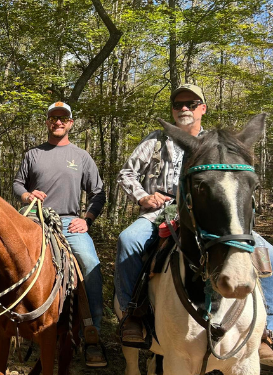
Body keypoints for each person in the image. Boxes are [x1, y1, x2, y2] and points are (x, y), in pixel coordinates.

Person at [115, 83, 273, 365]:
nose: (184, 109)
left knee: (268, 251)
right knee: (129, 240)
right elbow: (127, 173)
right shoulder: (155, 141)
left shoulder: (215, 144)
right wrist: (143, 197)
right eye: (178, 105)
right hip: (161, 211)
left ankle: (267, 328)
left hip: (206, 214)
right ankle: (132, 314)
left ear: (203, 108)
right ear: (173, 110)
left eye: (191, 104)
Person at [12, 101, 107, 367]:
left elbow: (98, 193)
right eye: (53, 117)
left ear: (70, 123)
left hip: (68, 221)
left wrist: (87, 220)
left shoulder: (82, 156)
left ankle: (92, 334)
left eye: (63, 118)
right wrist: (27, 195)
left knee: (89, 263)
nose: (58, 122)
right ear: (47, 122)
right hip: (33, 218)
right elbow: (18, 183)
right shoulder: (33, 154)